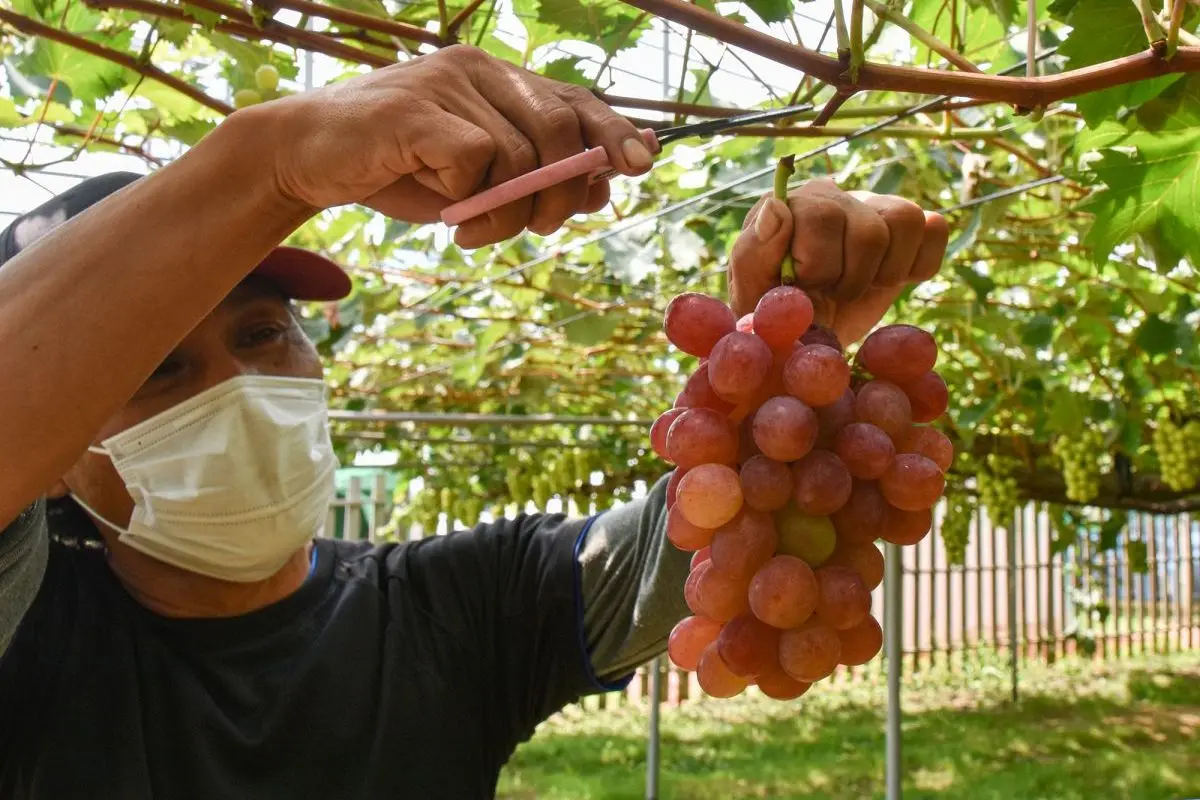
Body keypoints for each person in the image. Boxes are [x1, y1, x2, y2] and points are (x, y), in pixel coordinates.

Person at [0, 44, 948, 799]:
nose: (235, 386)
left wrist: (793, 371)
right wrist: (268, 163)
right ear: (54, 455)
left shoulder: (453, 607)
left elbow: (717, 544)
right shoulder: (27, 626)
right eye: (157, 366)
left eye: (262, 333)